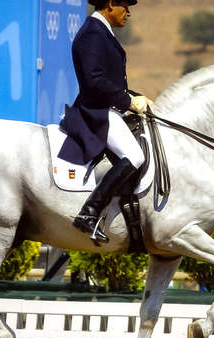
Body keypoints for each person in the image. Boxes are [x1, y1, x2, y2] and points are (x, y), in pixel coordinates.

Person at [58, 0, 154, 244]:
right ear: (111, 4)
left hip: (108, 107)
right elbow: (93, 81)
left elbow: (110, 81)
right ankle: (89, 212)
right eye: (126, 6)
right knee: (135, 155)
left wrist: (133, 96)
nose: (129, 12)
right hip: (96, 111)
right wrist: (127, 101)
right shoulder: (92, 33)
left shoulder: (101, 32)